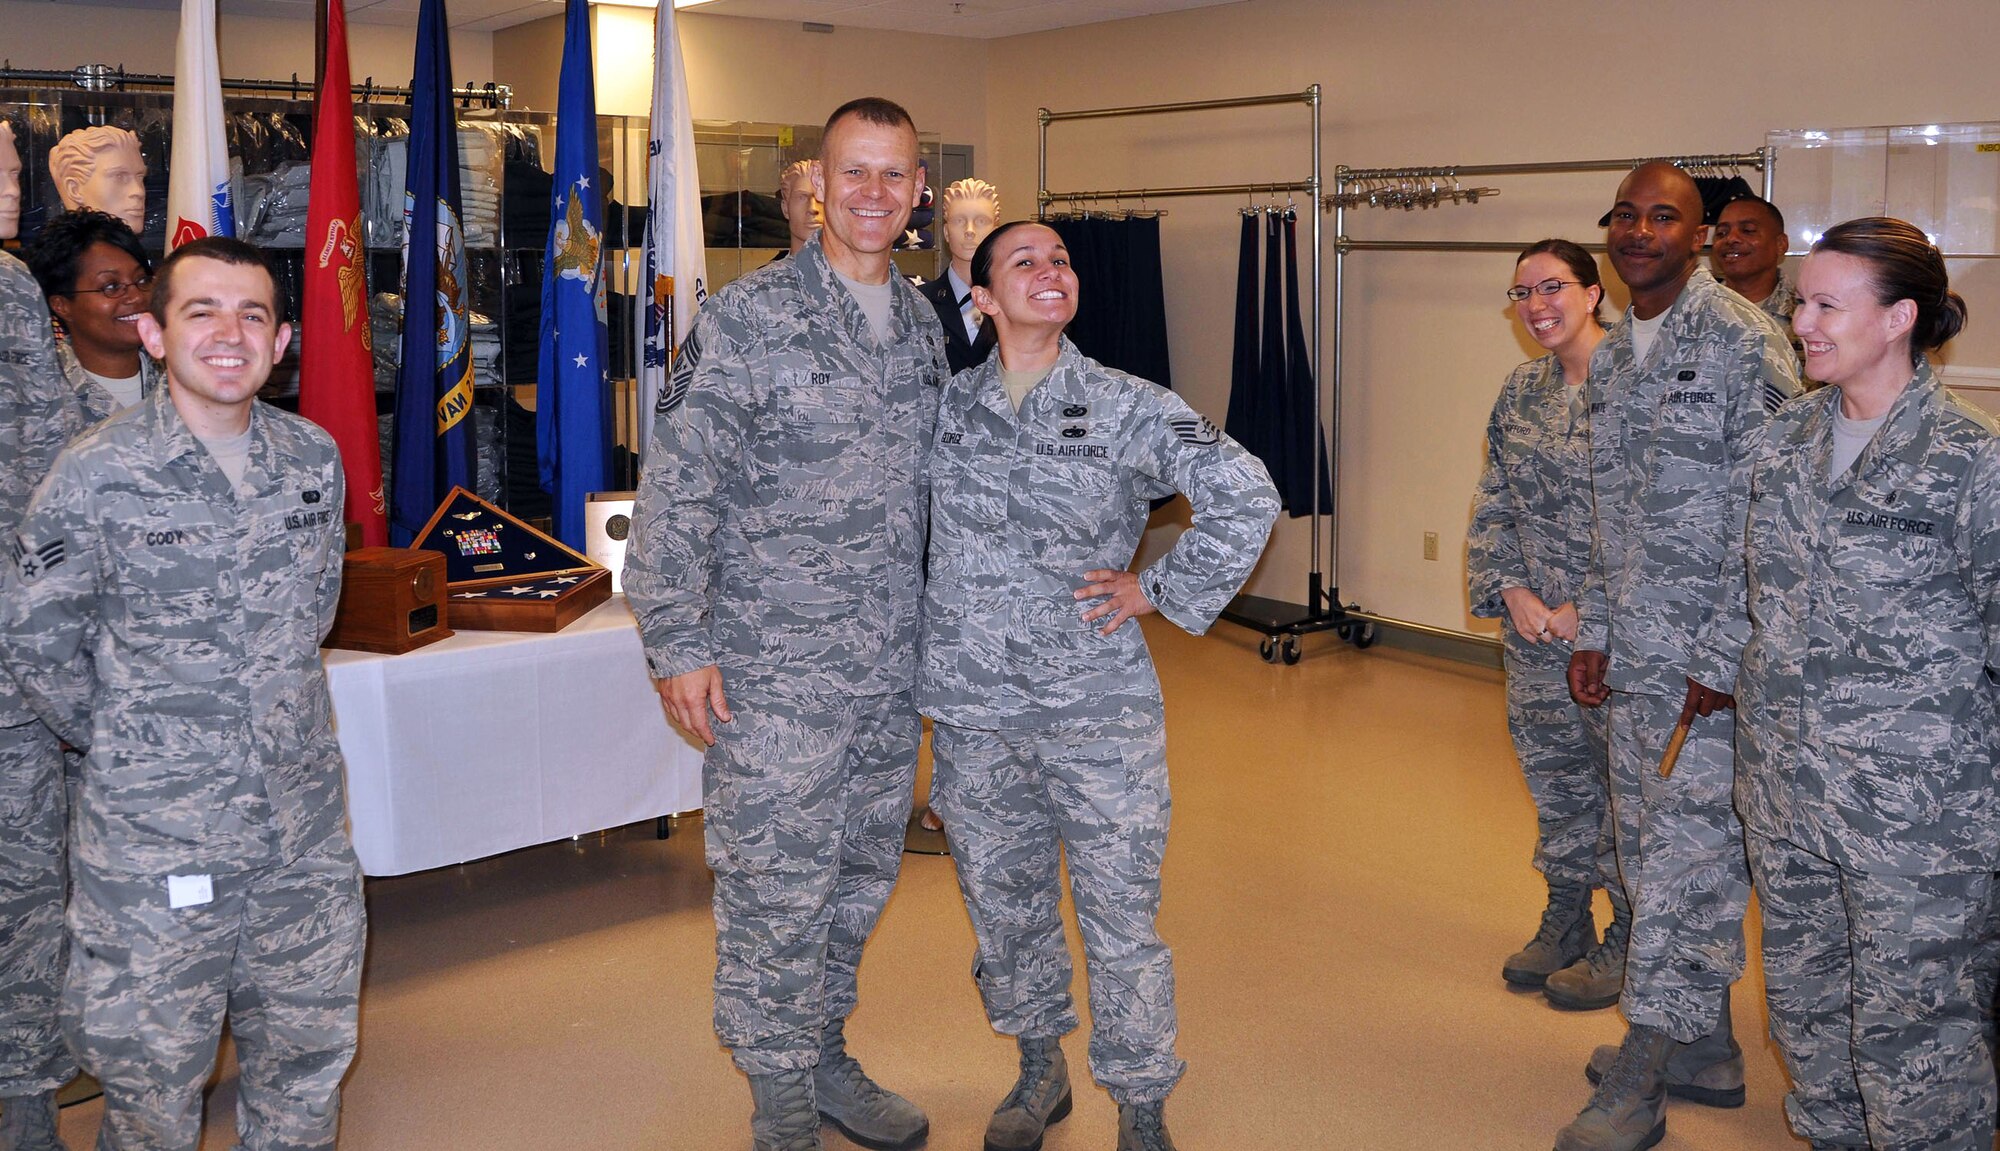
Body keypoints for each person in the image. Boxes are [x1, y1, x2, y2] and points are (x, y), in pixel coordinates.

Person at [623, 96, 946, 1151]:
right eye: (854, 172)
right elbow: (677, 489)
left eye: (893, 176)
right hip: (772, 676)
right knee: (775, 890)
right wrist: (678, 642)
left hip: (885, 672)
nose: (872, 194)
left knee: (857, 878)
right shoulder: (749, 320)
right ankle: (781, 1104)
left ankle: (820, 1051)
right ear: (815, 179)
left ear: (915, 191)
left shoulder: (922, 326)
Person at [0, 237, 364, 1151]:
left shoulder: (313, 460)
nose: (229, 335)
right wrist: (139, 745)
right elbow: (39, 646)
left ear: (282, 342)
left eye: (253, 315)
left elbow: (310, 616)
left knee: (304, 1066)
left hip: (300, 835)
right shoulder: (93, 472)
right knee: (154, 1086)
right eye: (201, 311)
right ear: (154, 334)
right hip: (156, 845)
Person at [921, 220, 1278, 1151]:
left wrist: (1157, 590)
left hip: (1096, 711)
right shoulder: (946, 407)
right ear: (985, 298)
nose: (1053, 272)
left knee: (1121, 914)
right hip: (974, 710)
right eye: (1025, 262)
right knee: (1005, 905)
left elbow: (1247, 491)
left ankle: (1142, 1104)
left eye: (1063, 260)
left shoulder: (1127, 405)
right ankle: (1041, 1071)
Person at [1737, 217, 1998, 1151]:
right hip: (1786, 794)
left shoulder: (1973, 463)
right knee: (1808, 1017)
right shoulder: (1784, 440)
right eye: (1801, 301)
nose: (1800, 320)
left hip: (1917, 822)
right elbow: (1750, 601)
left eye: (1823, 305)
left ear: (1899, 319)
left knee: (1914, 1039)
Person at [1558, 162, 1800, 1151]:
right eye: (1625, 214)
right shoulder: (1613, 358)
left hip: (1709, 673)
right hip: (1634, 666)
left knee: (1689, 866)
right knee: (1644, 859)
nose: (1638, 230)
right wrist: (1592, 630)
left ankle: (1643, 1073)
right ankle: (1702, 1047)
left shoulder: (1745, 343)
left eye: (1664, 216)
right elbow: (1599, 507)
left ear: (1699, 237)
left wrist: (1725, 651)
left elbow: (1779, 516)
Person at [1467, 239, 1627, 1005]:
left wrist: (1587, 608)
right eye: (1523, 292)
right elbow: (1492, 497)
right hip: (1533, 636)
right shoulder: (1521, 389)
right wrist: (1511, 590)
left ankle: (1631, 930)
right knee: (1557, 780)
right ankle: (1568, 916)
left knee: (1624, 787)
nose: (1536, 305)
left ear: (1594, 293)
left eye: (1553, 287)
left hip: (1617, 636)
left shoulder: (1642, 385)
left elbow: (1658, 521)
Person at [0, 114, 85, 1151]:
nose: (12, 184)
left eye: (15, 163)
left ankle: (25, 1114)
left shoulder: (14, 290)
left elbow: (49, 475)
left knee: (24, 898)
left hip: (11, 675)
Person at [25, 208, 162, 424]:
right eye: (112, 286)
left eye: (142, 280)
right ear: (61, 305)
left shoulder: (181, 373)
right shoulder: (35, 394)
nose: (136, 297)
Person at [918, 177, 1000, 374]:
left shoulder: (1014, 302)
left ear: (995, 231)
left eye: (981, 221)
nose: (969, 231)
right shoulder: (919, 303)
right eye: (959, 221)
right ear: (946, 232)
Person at [1709, 195, 1796, 326]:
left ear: (1780, 244)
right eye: (1721, 233)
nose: (1731, 239)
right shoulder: (1696, 307)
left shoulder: (1804, 311)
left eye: (1747, 230)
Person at [773, 158, 820, 259]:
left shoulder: (856, 273)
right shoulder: (767, 274)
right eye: (801, 198)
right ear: (785, 208)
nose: (813, 208)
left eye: (821, 198)